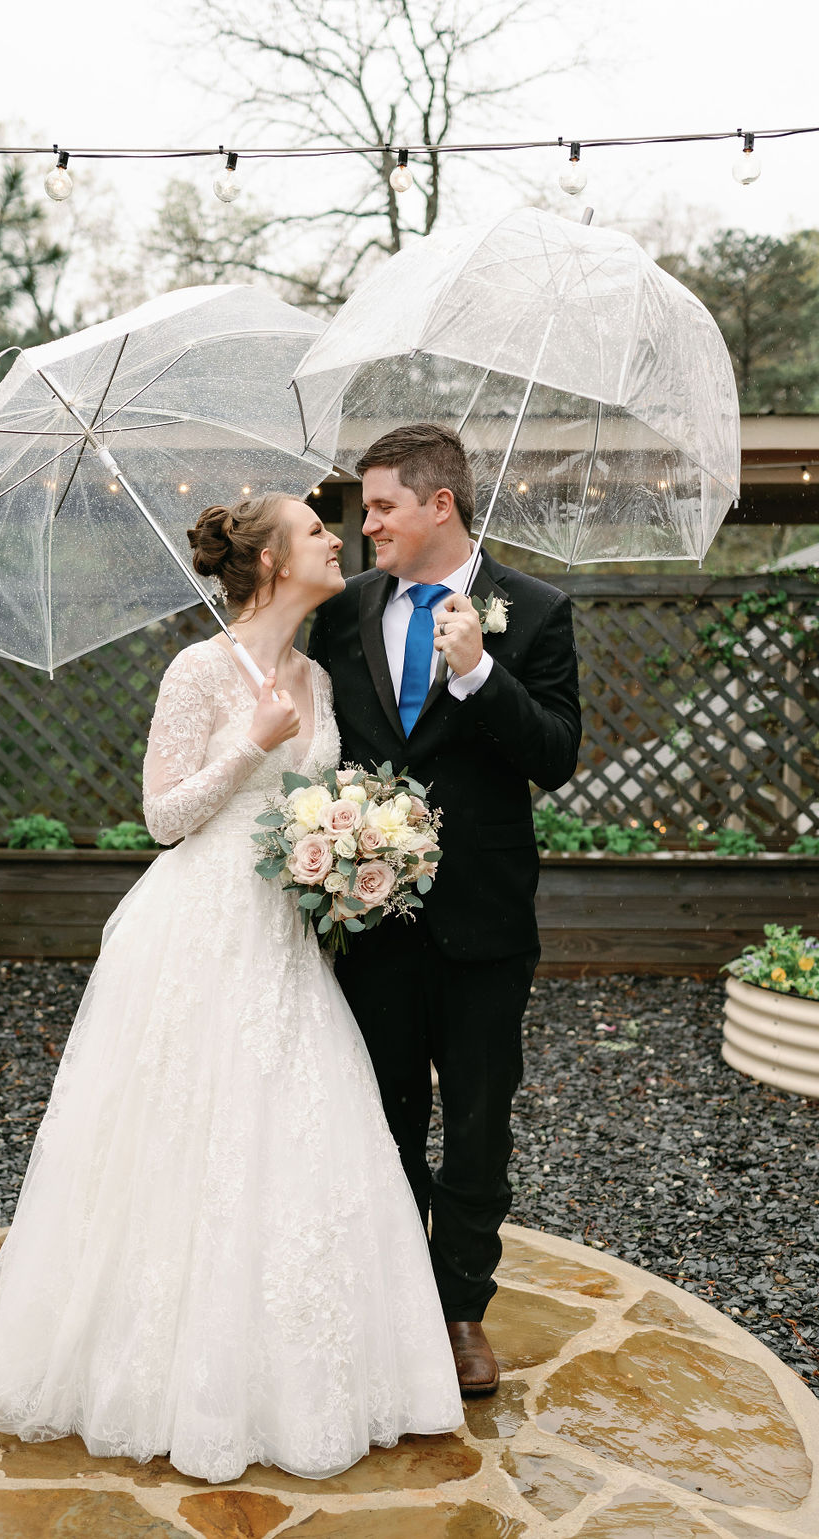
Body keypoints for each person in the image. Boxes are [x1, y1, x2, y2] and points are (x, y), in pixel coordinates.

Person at [0, 491, 462, 1484]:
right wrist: (249, 744)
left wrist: (356, 844)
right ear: (274, 561)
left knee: (299, 1132)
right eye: (318, 531)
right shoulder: (197, 670)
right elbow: (161, 816)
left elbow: (314, 803)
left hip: (288, 937)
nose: (339, 539)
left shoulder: (318, 675)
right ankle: (159, 1375)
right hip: (198, 929)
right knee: (188, 1134)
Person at [308, 424, 582, 1396]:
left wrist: (478, 674)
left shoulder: (535, 612)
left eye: (380, 505)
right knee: (380, 1118)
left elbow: (554, 754)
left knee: (475, 1126)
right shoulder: (342, 614)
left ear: (439, 505)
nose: (364, 523)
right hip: (368, 921)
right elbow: (320, 744)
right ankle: (390, 1301)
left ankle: (460, 1311)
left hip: (482, 923)